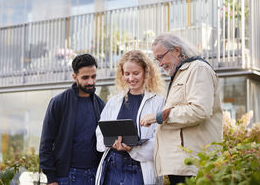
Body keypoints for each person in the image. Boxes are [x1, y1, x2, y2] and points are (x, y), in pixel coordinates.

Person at [140, 33, 223, 185]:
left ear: (177, 50)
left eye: (160, 57)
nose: (159, 64)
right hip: (182, 164)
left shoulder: (198, 69)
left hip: (193, 165)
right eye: (156, 59)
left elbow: (199, 110)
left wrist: (159, 117)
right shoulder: (182, 73)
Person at [96, 50, 165, 185]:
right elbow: (100, 132)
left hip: (139, 169)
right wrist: (111, 143)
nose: (131, 78)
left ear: (146, 72)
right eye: (127, 74)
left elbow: (161, 141)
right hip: (112, 167)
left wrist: (133, 148)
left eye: (136, 73)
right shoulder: (114, 101)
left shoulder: (159, 102)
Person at [39, 53, 105, 185]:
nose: (91, 81)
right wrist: (51, 179)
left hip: (94, 175)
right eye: (85, 77)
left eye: (94, 76)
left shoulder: (101, 105)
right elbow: (46, 143)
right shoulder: (59, 102)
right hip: (65, 177)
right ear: (75, 77)